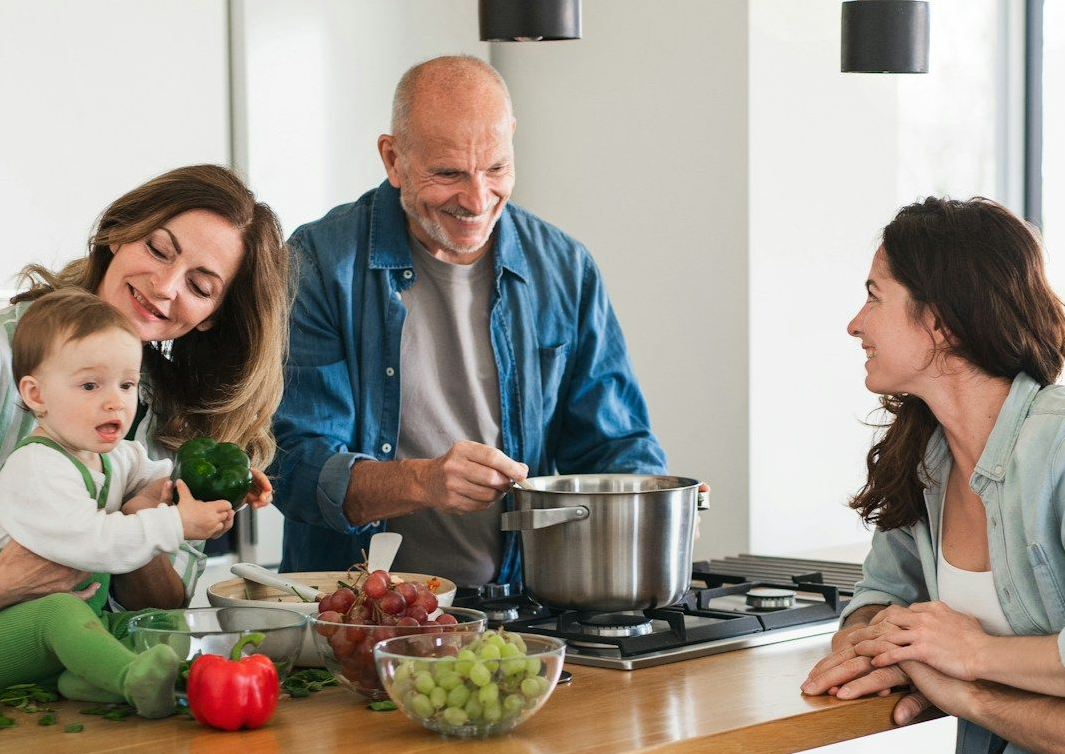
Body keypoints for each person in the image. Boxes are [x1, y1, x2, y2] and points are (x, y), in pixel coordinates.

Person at [792, 197, 1065, 754]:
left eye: (875, 295)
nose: (855, 323)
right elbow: (879, 598)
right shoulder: (928, 461)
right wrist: (880, 640)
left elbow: (953, 653)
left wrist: (970, 666)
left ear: (942, 324)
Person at [271, 55, 666, 586]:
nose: (478, 199)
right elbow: (294, 466)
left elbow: (613, 446)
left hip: (523, 611)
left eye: (496, 168)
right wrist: (421, 482)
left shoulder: (566, 268)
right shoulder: (317, 262)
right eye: (449, 173)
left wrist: (657, 499)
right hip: (353, 617)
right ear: (393, 159)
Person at [0, 164, 290, 611]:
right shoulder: (5, 354)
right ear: (118, 232)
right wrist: (8, 581)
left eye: (199, 285)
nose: (165, 286)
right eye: (158, 250)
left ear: (210, 317)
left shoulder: (174, 417)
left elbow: (162, 610)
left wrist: (144, 510)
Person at [0, 290, 251, 716]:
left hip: (78, 628)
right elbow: (97, 541)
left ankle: (90, 680)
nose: (116, 400)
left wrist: (229, 488)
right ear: (35, 394)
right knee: (58, 613)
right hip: (18, 631)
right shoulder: (36, 467)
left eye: (127, 384)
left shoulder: (113, 455)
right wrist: (175, 524)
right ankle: (130, 680)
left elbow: (162, 481)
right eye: (90, 385)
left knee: (160, 622)